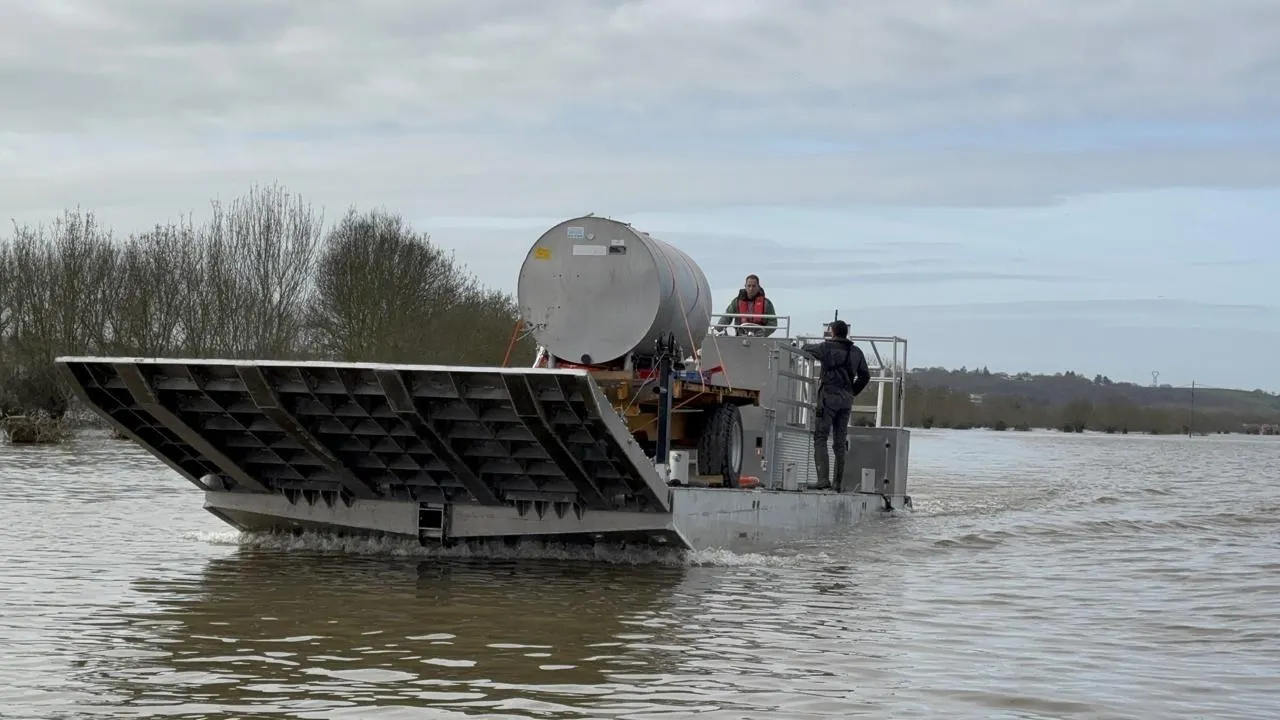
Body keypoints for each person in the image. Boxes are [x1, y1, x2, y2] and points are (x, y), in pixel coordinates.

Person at [798, 319, 871, 491]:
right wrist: (852, 391)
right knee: (839, 442)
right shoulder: (856, 351)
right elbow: (865, 376)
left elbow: (806, 349)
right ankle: (838, 483)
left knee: (820, 437)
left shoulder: (826, 347)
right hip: (846, 400)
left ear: (832, 332)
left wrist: (803, 345)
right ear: (846, 332)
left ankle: (823, 480)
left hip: (828, 398)